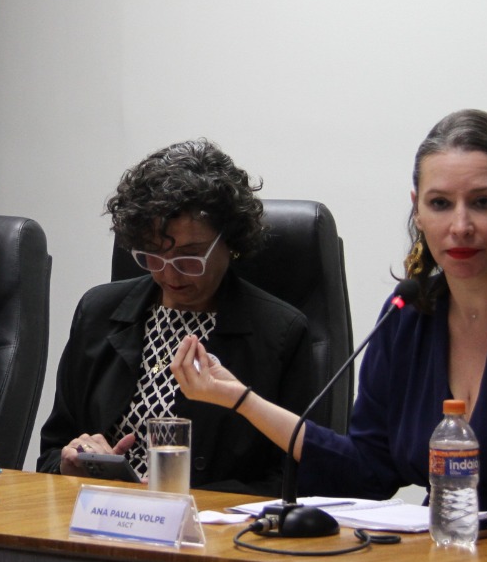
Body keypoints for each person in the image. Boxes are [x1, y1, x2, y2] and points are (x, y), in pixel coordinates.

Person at [174, 109, 487, 531]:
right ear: (418, 210)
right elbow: (366, 471)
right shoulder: (409, 313)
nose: (460, 226)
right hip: (449, 557)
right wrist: (240, 399)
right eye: (440, 204)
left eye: (483, 202)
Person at [37, 139, 314, 495]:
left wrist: (185, 496)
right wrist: (70, 463)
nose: (170, 274)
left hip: (214, 524)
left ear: (230, 242)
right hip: (104, 514)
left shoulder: (280, 333)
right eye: (153, 255)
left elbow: (293, 479)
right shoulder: (98, 312)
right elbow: (51, 451)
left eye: (190, 257)